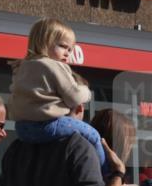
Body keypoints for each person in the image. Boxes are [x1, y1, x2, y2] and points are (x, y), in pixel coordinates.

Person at [8, 17, 105, 167]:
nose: (67, 53)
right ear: (45, 42)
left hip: (22, 129)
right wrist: (87, 92)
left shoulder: (21, 67)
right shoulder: (54, 65)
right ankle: (106, 175)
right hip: (49, 125)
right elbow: (74, 96)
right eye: (63, 46)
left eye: (70, 50)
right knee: (93, 135)